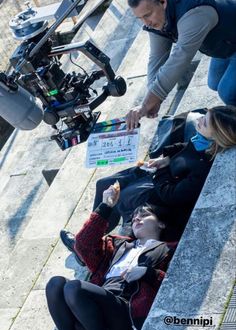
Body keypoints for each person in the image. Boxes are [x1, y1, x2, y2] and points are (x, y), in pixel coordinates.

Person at [61, 105, 236, 258]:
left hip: (162, 189)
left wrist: (161, 170)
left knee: (122, 196)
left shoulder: (204, 165)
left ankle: (86, 247)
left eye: (204, 122)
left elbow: (171, 195)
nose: (199, 120)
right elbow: (186, 148)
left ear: (217, 136)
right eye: (204, 116)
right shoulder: (203, 140)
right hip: (161, 172)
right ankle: (93, 237)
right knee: (103, 183)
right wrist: (166, 158)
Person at [46, 189, 177, 330]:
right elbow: (83, 246)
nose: (137, 219)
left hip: (124, 314)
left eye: (145, 215)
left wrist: (148, 273)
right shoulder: (118, 245)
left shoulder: (169, 249)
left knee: (74, 288)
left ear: (161, 223)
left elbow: (178, 285)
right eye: (134, 217)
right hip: (92, 313)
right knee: (55, 284)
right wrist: (106, 205)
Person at [125, 0, 236, 130]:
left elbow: (180, 59)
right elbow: (156, 59)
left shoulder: (194, 12)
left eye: (147, 15)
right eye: (140, 18)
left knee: (227, 92)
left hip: (231, 42)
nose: (146, 23)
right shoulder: (159, 17)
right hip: (227, 44)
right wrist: (152, 101)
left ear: (162, 2)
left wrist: (146, 104)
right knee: (214, 83)